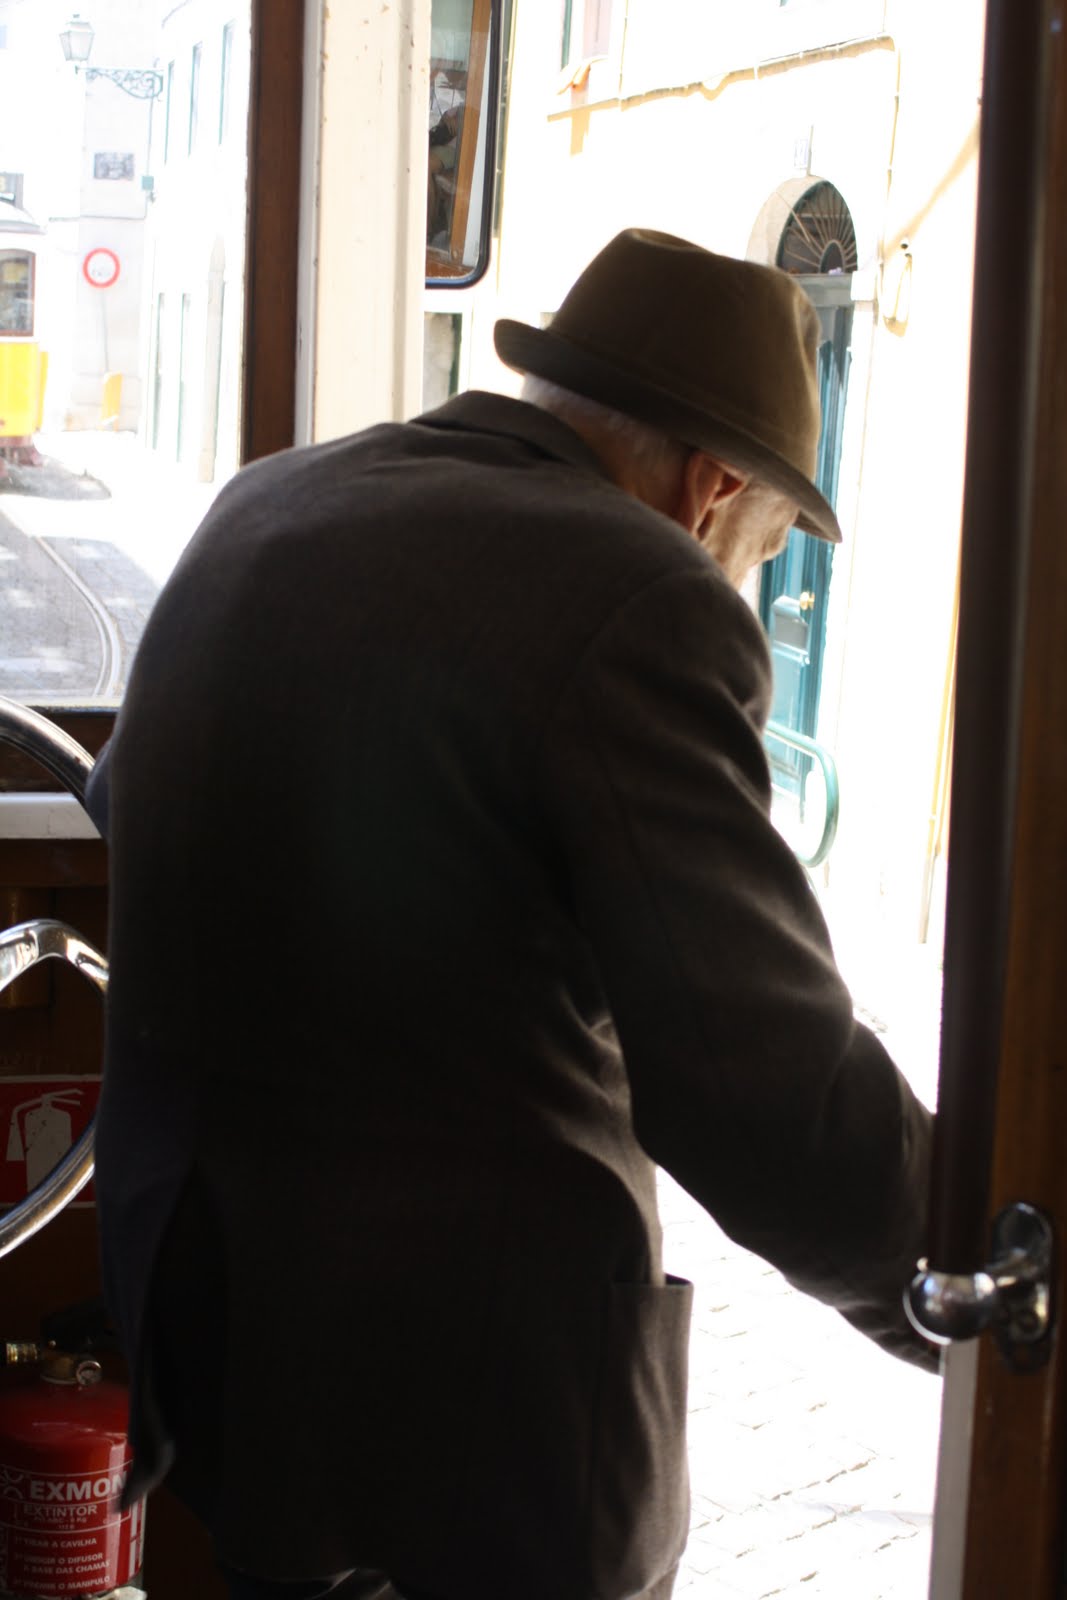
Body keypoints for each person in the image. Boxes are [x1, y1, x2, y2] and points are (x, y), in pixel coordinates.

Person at [86, 230, 936, 1600]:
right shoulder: (640, 592)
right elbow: (761, 1086)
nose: (743, 578)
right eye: (764, 548)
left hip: (214, 1337)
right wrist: (976, 1290)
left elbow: (136, 802)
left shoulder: (269, 499)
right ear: (714, 488)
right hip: (470, 1416)